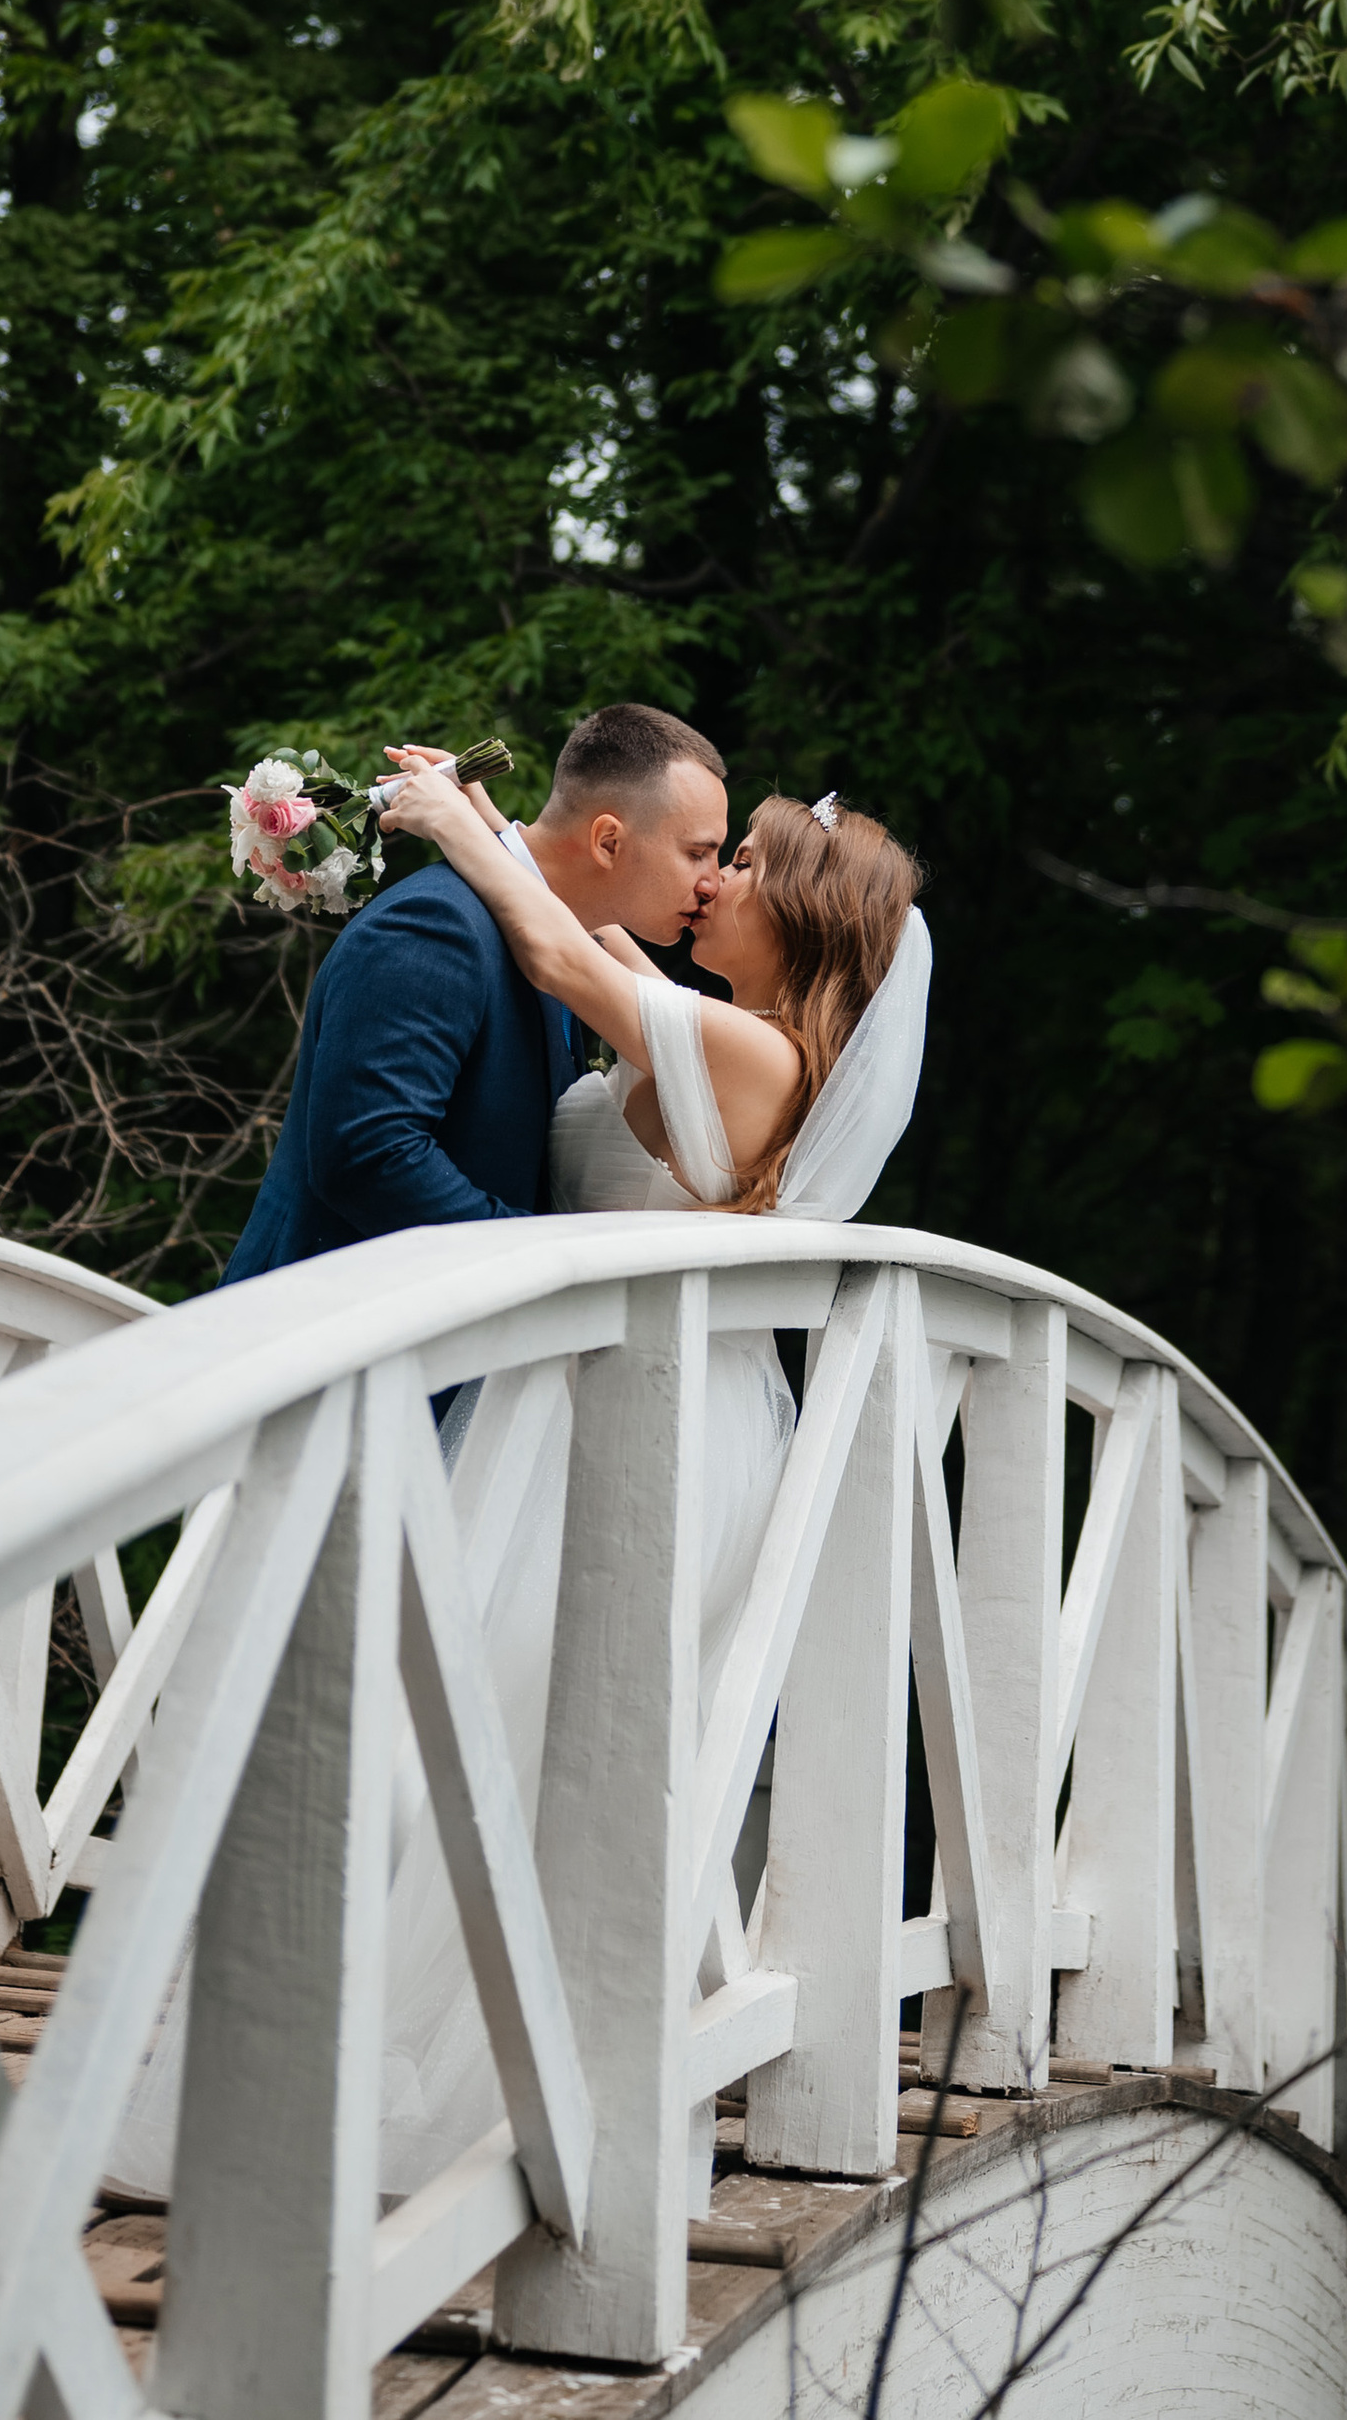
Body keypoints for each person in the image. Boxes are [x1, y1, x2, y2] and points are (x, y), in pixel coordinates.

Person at [360, 746, 930, 2209]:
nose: (714, 876)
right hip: (591, 1404)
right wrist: (489, 813)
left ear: (794, 917)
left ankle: (494, 2114)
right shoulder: (717, 1030)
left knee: (536, 1740)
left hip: (648, 1421)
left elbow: (554, 944)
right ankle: (464, 2089)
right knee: (502, 1729)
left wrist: (437, 825)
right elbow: (585, 912)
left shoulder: (751, 1054)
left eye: (741, 864)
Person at [215, 702, 728, 1283]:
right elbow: (370, 1156)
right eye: (697, 852)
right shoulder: (436, 925)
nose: (712, 883)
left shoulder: (564, 949)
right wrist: (545, 1268)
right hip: (333, 1344)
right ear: (607, 842)